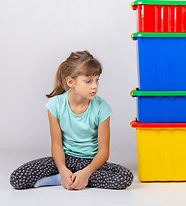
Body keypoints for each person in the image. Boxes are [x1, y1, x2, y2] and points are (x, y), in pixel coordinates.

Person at [10, 51, 133, 190]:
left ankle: (79, 178)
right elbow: (56, 146)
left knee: (124, 177)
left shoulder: (102, 108)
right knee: (17, 178)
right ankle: (64, 177)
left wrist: (86, 172)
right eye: (88, 81)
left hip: (91, 162)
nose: (95, 86)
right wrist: (62, 169)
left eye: (97, 80)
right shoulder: (55, 105)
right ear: (70, 82)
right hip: (65, 159)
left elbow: (104, 152)